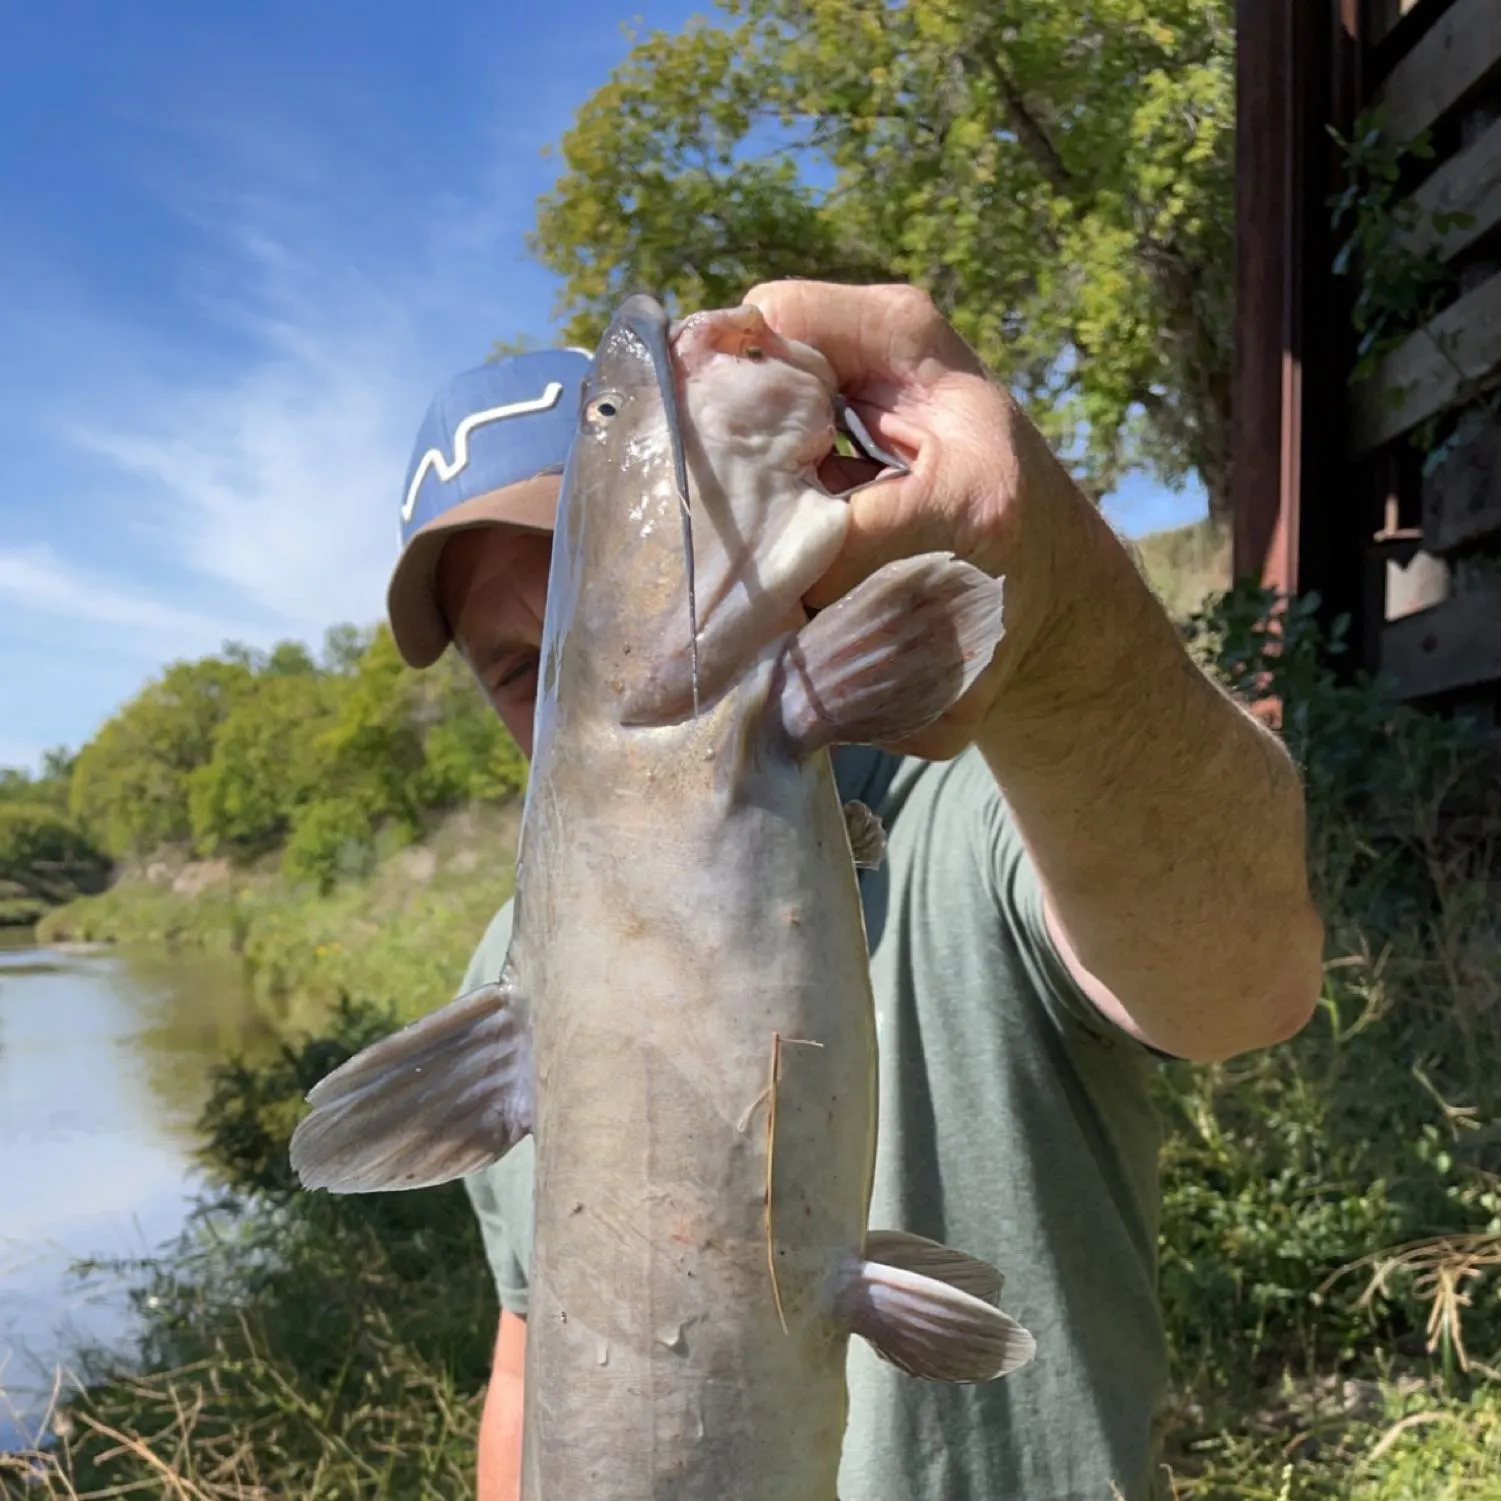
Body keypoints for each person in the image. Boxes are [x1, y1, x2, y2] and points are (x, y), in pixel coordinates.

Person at [384, 282, 1324, 1501]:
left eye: (572, 583)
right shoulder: (503, 977)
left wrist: (1054, 594)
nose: (572, 669)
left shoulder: (971, 784)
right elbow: (528, 1357)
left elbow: (1245, 982)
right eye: (524, 666)